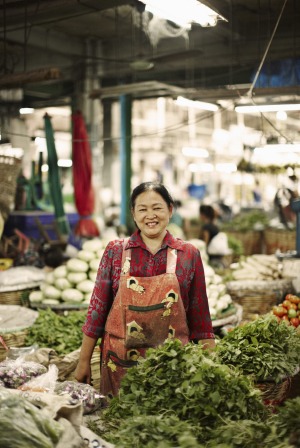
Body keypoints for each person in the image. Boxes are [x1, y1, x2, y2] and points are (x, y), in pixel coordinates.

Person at [75, 181, 215, 398]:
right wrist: (83, 361)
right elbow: (97, 310)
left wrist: (212, 367)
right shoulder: (115, 252)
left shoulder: (189, 254)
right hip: (120, 364)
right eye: (142, 209)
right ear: (133, 213)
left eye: (157, 208)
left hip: (173, 367)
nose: (151, 215)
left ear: (170, 209)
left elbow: (201, 319)